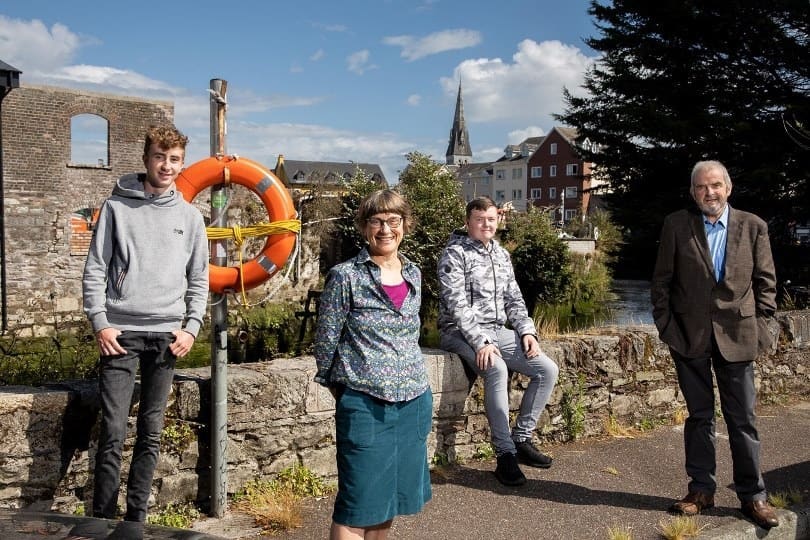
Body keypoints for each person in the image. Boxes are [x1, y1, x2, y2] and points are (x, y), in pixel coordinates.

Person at [82, 124, 209, 523]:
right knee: (114, 431)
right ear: (146, 158)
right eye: (159, 156)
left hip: (168, 336)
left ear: (182, 163)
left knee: (151, 432)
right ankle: (101, 519)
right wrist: (101, 323)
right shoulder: (116, 209)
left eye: (174, 159)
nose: (166, 165)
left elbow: (199, 278)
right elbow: (95, 270)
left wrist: (191, 327)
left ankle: (136, 519)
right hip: (120, 334)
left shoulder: (190, 218)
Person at [651, 160, 779, 529]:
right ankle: (701, 491)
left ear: (728, 187)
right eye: (702, 187)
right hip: (689, 338)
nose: (709, 193)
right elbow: (661, 283)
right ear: (693, 192)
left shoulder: (754, 227)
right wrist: (667, 329)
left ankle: (753, 496)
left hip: (739, 339)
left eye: (715, 185)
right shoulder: (677, 225)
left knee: (743, 421)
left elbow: (766, 283)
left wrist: (762, 330)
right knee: (699, 417)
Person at [313, 189, 432, 540]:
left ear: (404, 226)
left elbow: (411, 335)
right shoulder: (345, 276)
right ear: (364, 227)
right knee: (356, 506)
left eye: (393, 220)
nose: (385, 229)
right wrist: (351, 391)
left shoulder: (414, 274)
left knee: (387, 503)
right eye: (376, 221)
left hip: (413, 403)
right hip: (365, 405)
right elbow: (326, 345)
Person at [437, 196, 559, 486]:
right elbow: (456, 306)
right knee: (497, 369)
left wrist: (527, 332)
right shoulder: (454, 254)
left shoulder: (501, 255)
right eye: (479, 219)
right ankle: (504, 455)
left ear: (498, 221)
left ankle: (521, 440)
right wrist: (480, 342)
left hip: (498, 330)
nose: (486, 224)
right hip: (459, 332)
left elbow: (514, 299)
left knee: (547, 370)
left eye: (491, 219)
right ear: (468, 222)